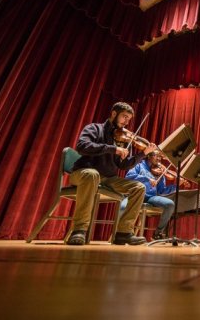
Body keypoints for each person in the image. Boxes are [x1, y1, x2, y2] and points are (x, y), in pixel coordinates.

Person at [67, 102, 157, 246]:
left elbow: (123, 165)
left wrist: (142, 154)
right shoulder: (94, 128)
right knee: (92, 175)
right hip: (83, 173)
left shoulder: (122, 138)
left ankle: (123, 232)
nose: (127, 122)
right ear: (114, 114)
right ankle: (79, 230)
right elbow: (82, 146)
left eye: (129, 119)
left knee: (139, 187)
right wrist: (112, 149)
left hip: (109, 179)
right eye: (124, 117)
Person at [125, 150, 190, 240]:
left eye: (160, 157)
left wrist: (176, 185)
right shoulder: (139, 165)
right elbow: (128, 176)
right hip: (135, 195)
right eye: (157, 156)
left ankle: (158, 233)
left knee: (170, 204)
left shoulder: (160, 173)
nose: (159, 159)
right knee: (122, 207)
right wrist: (147, 179)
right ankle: (123, 233)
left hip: (150, 197)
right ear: (149, 156)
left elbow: (161, 191)